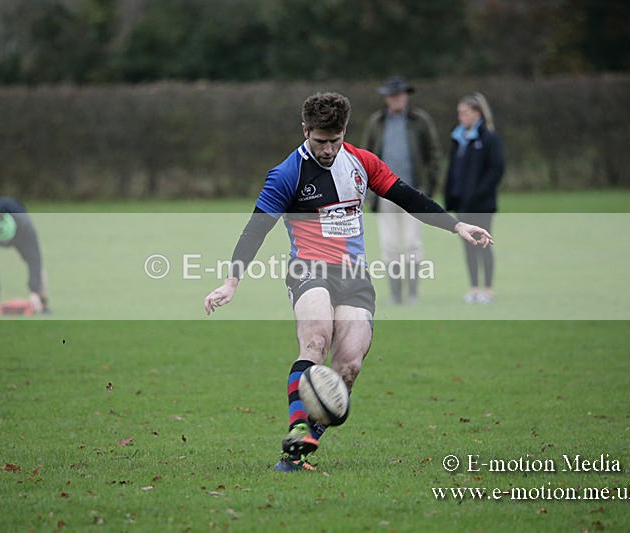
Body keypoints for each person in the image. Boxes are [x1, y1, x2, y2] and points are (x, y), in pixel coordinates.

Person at [203, 92, 492, 472]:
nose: (327, 149)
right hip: (309, 269)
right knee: (317, 338)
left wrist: (456, 225)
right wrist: (231, 282)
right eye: (320, 141)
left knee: (350, 365)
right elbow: (256, 228)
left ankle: (298, 453)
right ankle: (298, 427)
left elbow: (407, 196)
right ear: (305, 130)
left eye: (334, 141)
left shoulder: (361, 162)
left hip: (354, 275)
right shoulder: (287, 173)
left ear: (345, 133)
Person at [362, 76, 440, 305]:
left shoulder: (420, 121)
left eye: (399, 95)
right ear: (386, 98)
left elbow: (433, 155)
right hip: (384, 195)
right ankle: (396, 295)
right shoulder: (377, 122)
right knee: (390, 246)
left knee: (412, 244)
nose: (395, 99)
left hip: (412, 192)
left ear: (406, 96)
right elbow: (365, 158)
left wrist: (429, 189)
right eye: (391, 95)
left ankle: (413, 294)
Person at [444, 92, 505, 304]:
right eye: (459, 113)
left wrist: (478, 194)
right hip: (463, 204)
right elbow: (454, 170)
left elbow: (496, 170)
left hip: (482, 204)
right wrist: (451, 195)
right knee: (468, 245)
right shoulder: (459, 138)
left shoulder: (489, 138)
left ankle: (487, 289)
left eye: (465, 113)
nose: (461, 117)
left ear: (477, 113)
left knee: (483, 243)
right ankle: (474, 288)